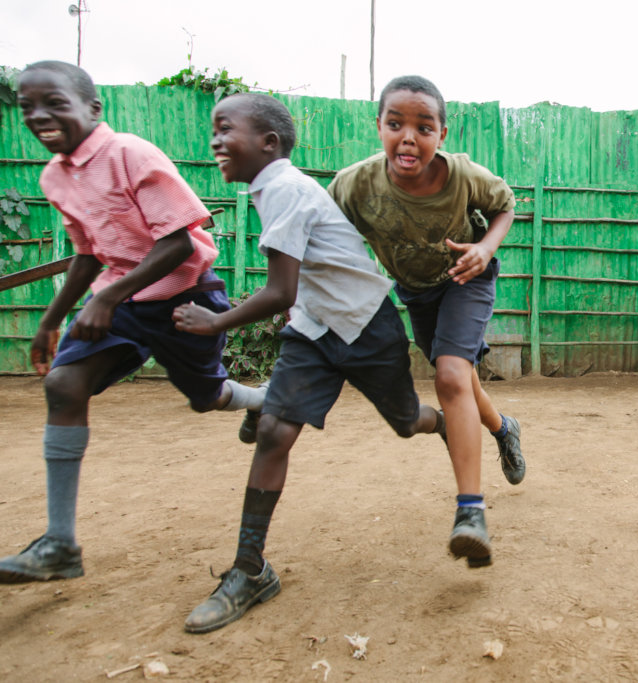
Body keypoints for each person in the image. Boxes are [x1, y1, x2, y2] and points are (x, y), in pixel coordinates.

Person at [172, 93, 447, 633]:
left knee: (407, 421)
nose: (215, 141)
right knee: (276, 431)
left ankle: (442, 423)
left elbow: (278, 291)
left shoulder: (288, 190)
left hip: (367, 324)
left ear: (268, 143)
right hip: (313, 329)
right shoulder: (267, 189)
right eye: (214, 129)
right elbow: (292, 295)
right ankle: (250, 570)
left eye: (226, 129)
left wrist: (214, 322)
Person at [0, 61, 266, 584]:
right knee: (64, 383)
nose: (38, 115)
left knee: (205, 397)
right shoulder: (54, 177)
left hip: (184, 296)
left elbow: (179, 242)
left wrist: (109, 297)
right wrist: (51, 320)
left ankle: (259, 399)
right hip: (122, 303)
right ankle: (59, 543)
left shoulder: (130, 154)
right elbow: (86, 254)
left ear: (93, 109)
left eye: (54, 102)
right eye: (27, 106)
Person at [327, 75, 525, 570]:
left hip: (465, 278)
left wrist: (485, 247)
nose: (408, 137)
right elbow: (327, 236)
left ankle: (471, 513)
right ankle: (504, 429)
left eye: (423, 126)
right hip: (415, 290)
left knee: (450, 376)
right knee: (460, 376)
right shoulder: (354, 185)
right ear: (379, 126)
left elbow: (505, 206)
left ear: (442, 134)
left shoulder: (463, 176)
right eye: (395, 124)